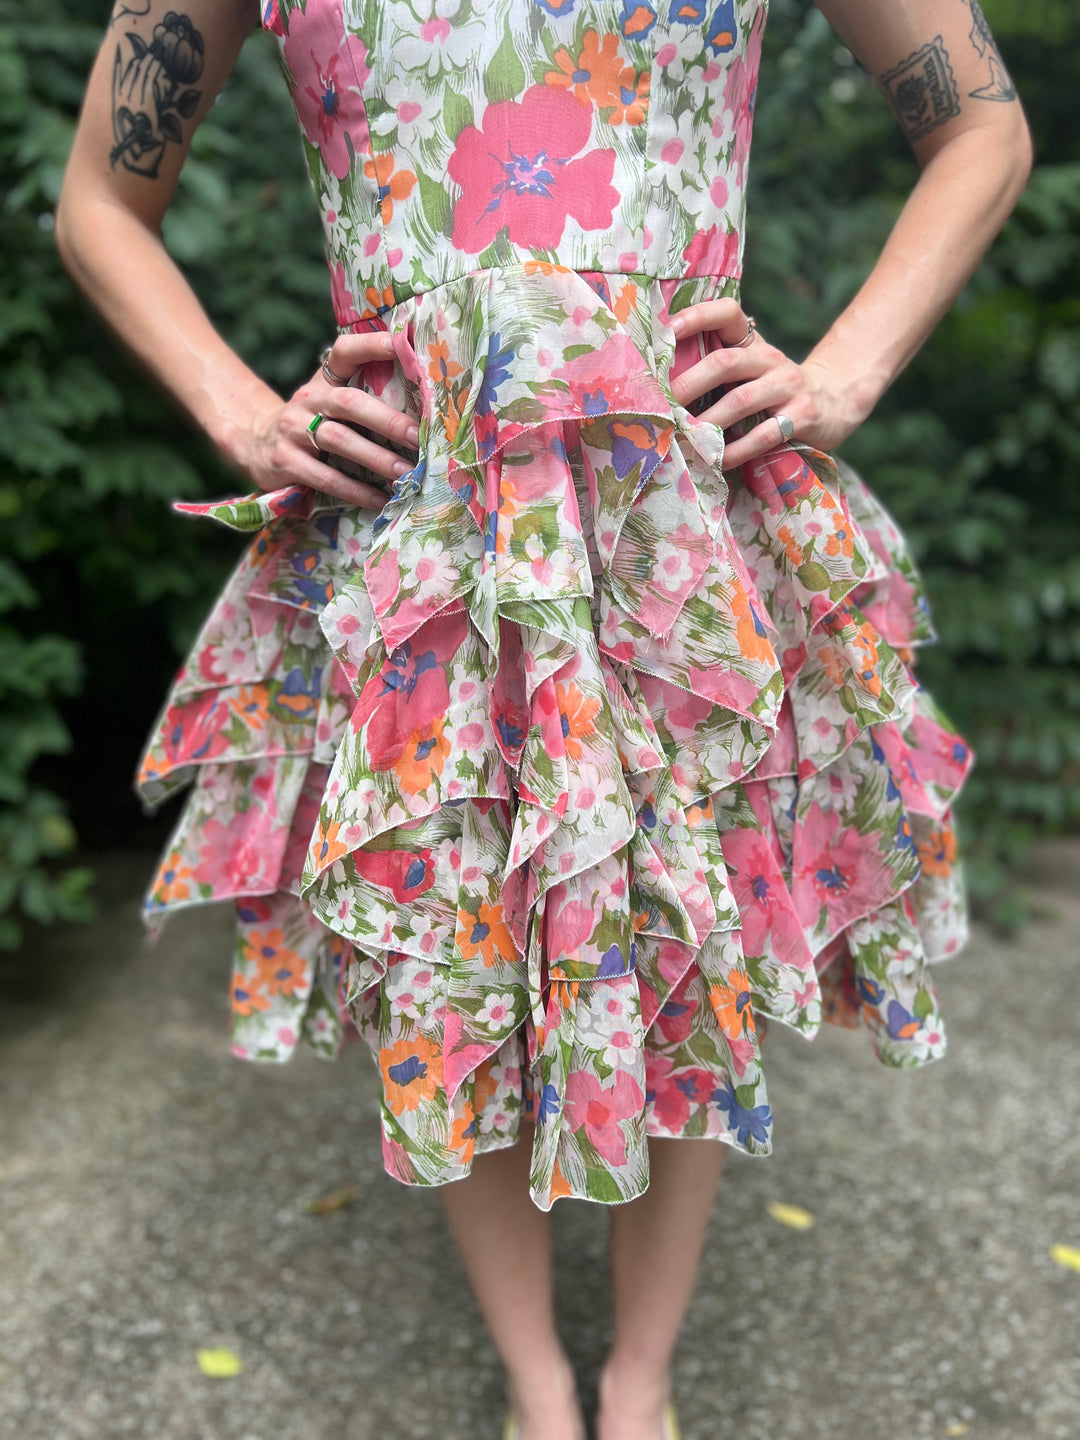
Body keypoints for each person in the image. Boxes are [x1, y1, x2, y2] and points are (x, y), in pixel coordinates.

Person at [56, 1, 1032, 1437]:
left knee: (680, 930)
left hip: (671, 517)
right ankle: (537, 1384)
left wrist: (846, 371)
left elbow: (981, 121)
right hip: (424, 525)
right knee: (450, 941)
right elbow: (100, 197)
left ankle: (640, 1384)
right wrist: (245, 412)